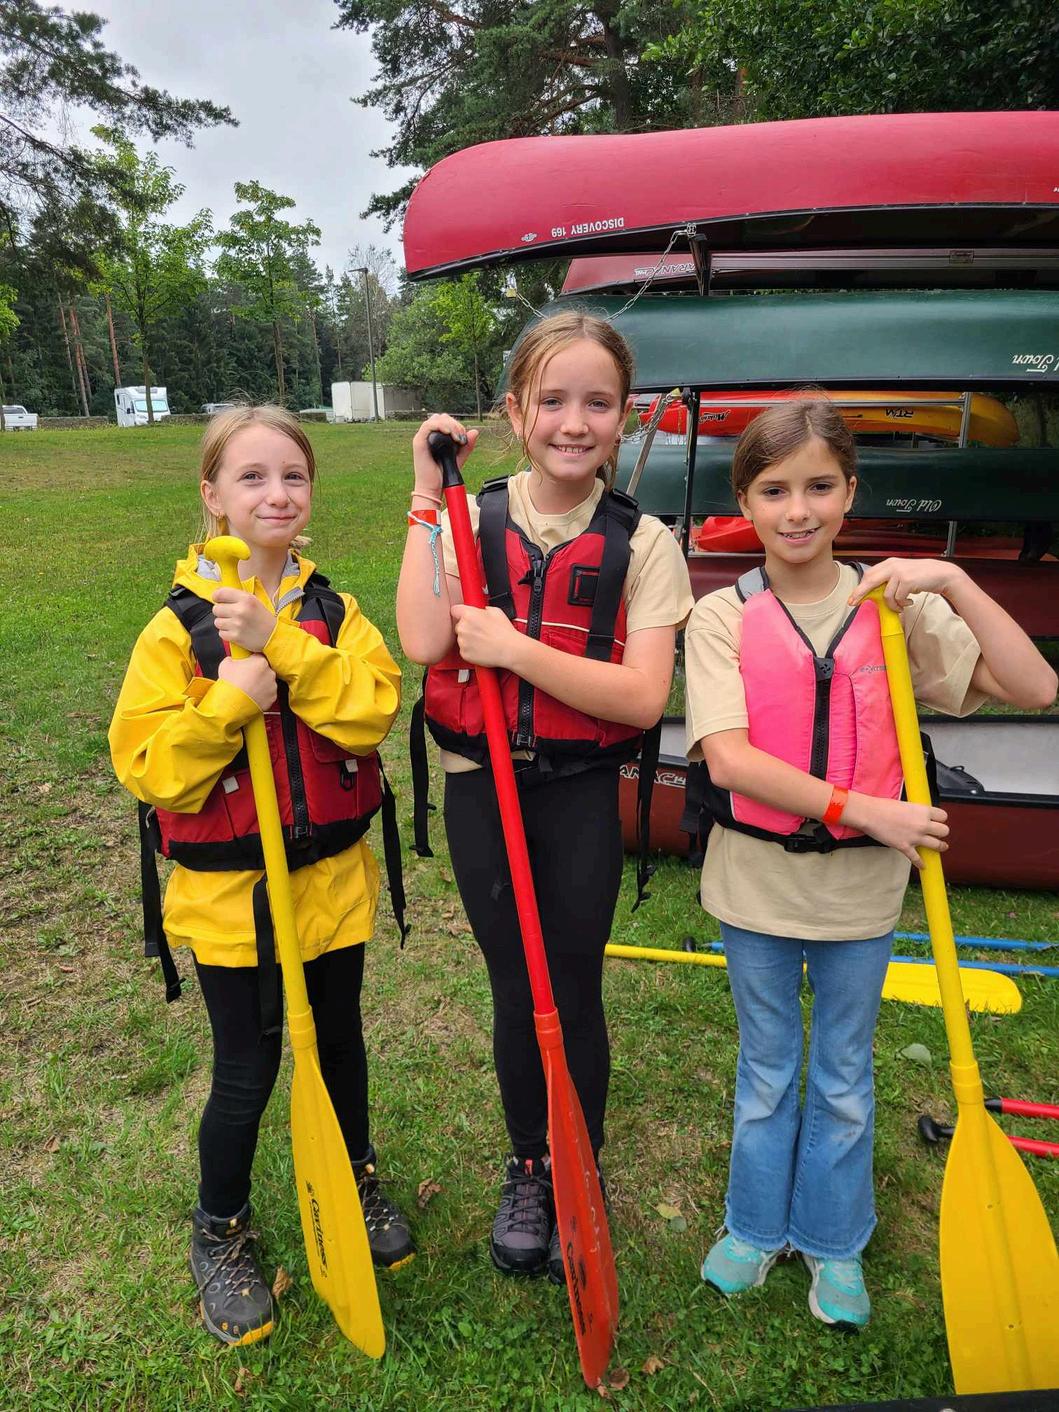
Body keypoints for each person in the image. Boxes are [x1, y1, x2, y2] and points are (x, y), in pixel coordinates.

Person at [684, 398, 1057, 1327]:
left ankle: (833, 1239)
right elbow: (727, 760)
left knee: (844, 1073)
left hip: (859, 893)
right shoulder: (720, 617)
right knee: (767, 1068)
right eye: (774, 491)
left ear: (850, 492)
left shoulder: (894, 610)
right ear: (744, 502)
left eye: (819, 487)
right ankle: (753, 1226)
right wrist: (869, 811)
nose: (797, 510)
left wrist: (950, 580)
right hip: (755, 886)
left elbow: (1034, 685)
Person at [397, 310, 694, 1281]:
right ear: (515, 411)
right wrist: (424, 494)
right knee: (514, 986)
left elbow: (642, 697)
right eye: (552, 400)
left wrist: (516, 649)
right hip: (482, 789)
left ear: (624, 416)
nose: (574, 421)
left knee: (570, 982)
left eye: (596, 403)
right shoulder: (469, 516)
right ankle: (530, 1161)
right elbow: (423, 640)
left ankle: (578, 1162)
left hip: (576, 792)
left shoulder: (645, 543)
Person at [110, 405, 412, 1348]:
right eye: (251, 476)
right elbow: (147, 767)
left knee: (340, 1044)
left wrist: (281, 648)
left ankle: (353, 1176)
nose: (276, 493)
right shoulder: (175, 632)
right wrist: (225, 705)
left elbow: (371, 712)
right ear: (212, 495)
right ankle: (220, 1228)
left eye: (293, 475)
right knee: (248, 1065)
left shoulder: (334, 615)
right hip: (232, 903)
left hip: (331, 888)